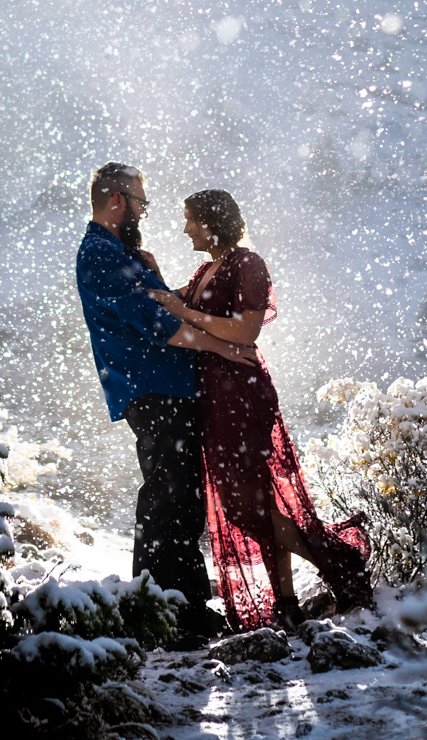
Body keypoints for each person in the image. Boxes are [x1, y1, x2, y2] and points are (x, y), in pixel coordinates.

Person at [148, 189, 372, 633]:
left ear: (212, 221)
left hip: (240, 395)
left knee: (243, 509)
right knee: (257, 503)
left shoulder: (246, 263)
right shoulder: (205, 269)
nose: (185, 228)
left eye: (191, 219)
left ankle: (336, 561)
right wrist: (154, 278)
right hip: (215, 396)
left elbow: (246, 329)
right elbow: (178, 304)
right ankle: (286, 604)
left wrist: (182, 310)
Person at [74, 163, 254, 649]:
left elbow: (162, 303)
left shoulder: (119, 253)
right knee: (167, 493)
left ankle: (184, 606)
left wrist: (160, 279)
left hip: (167, 385)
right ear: (117, 201)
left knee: (181, 494)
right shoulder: (99, 254)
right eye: (140, 202)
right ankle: (165, 612)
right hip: (151, 388)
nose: (144, 211)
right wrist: (220, 346)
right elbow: (155, 323)